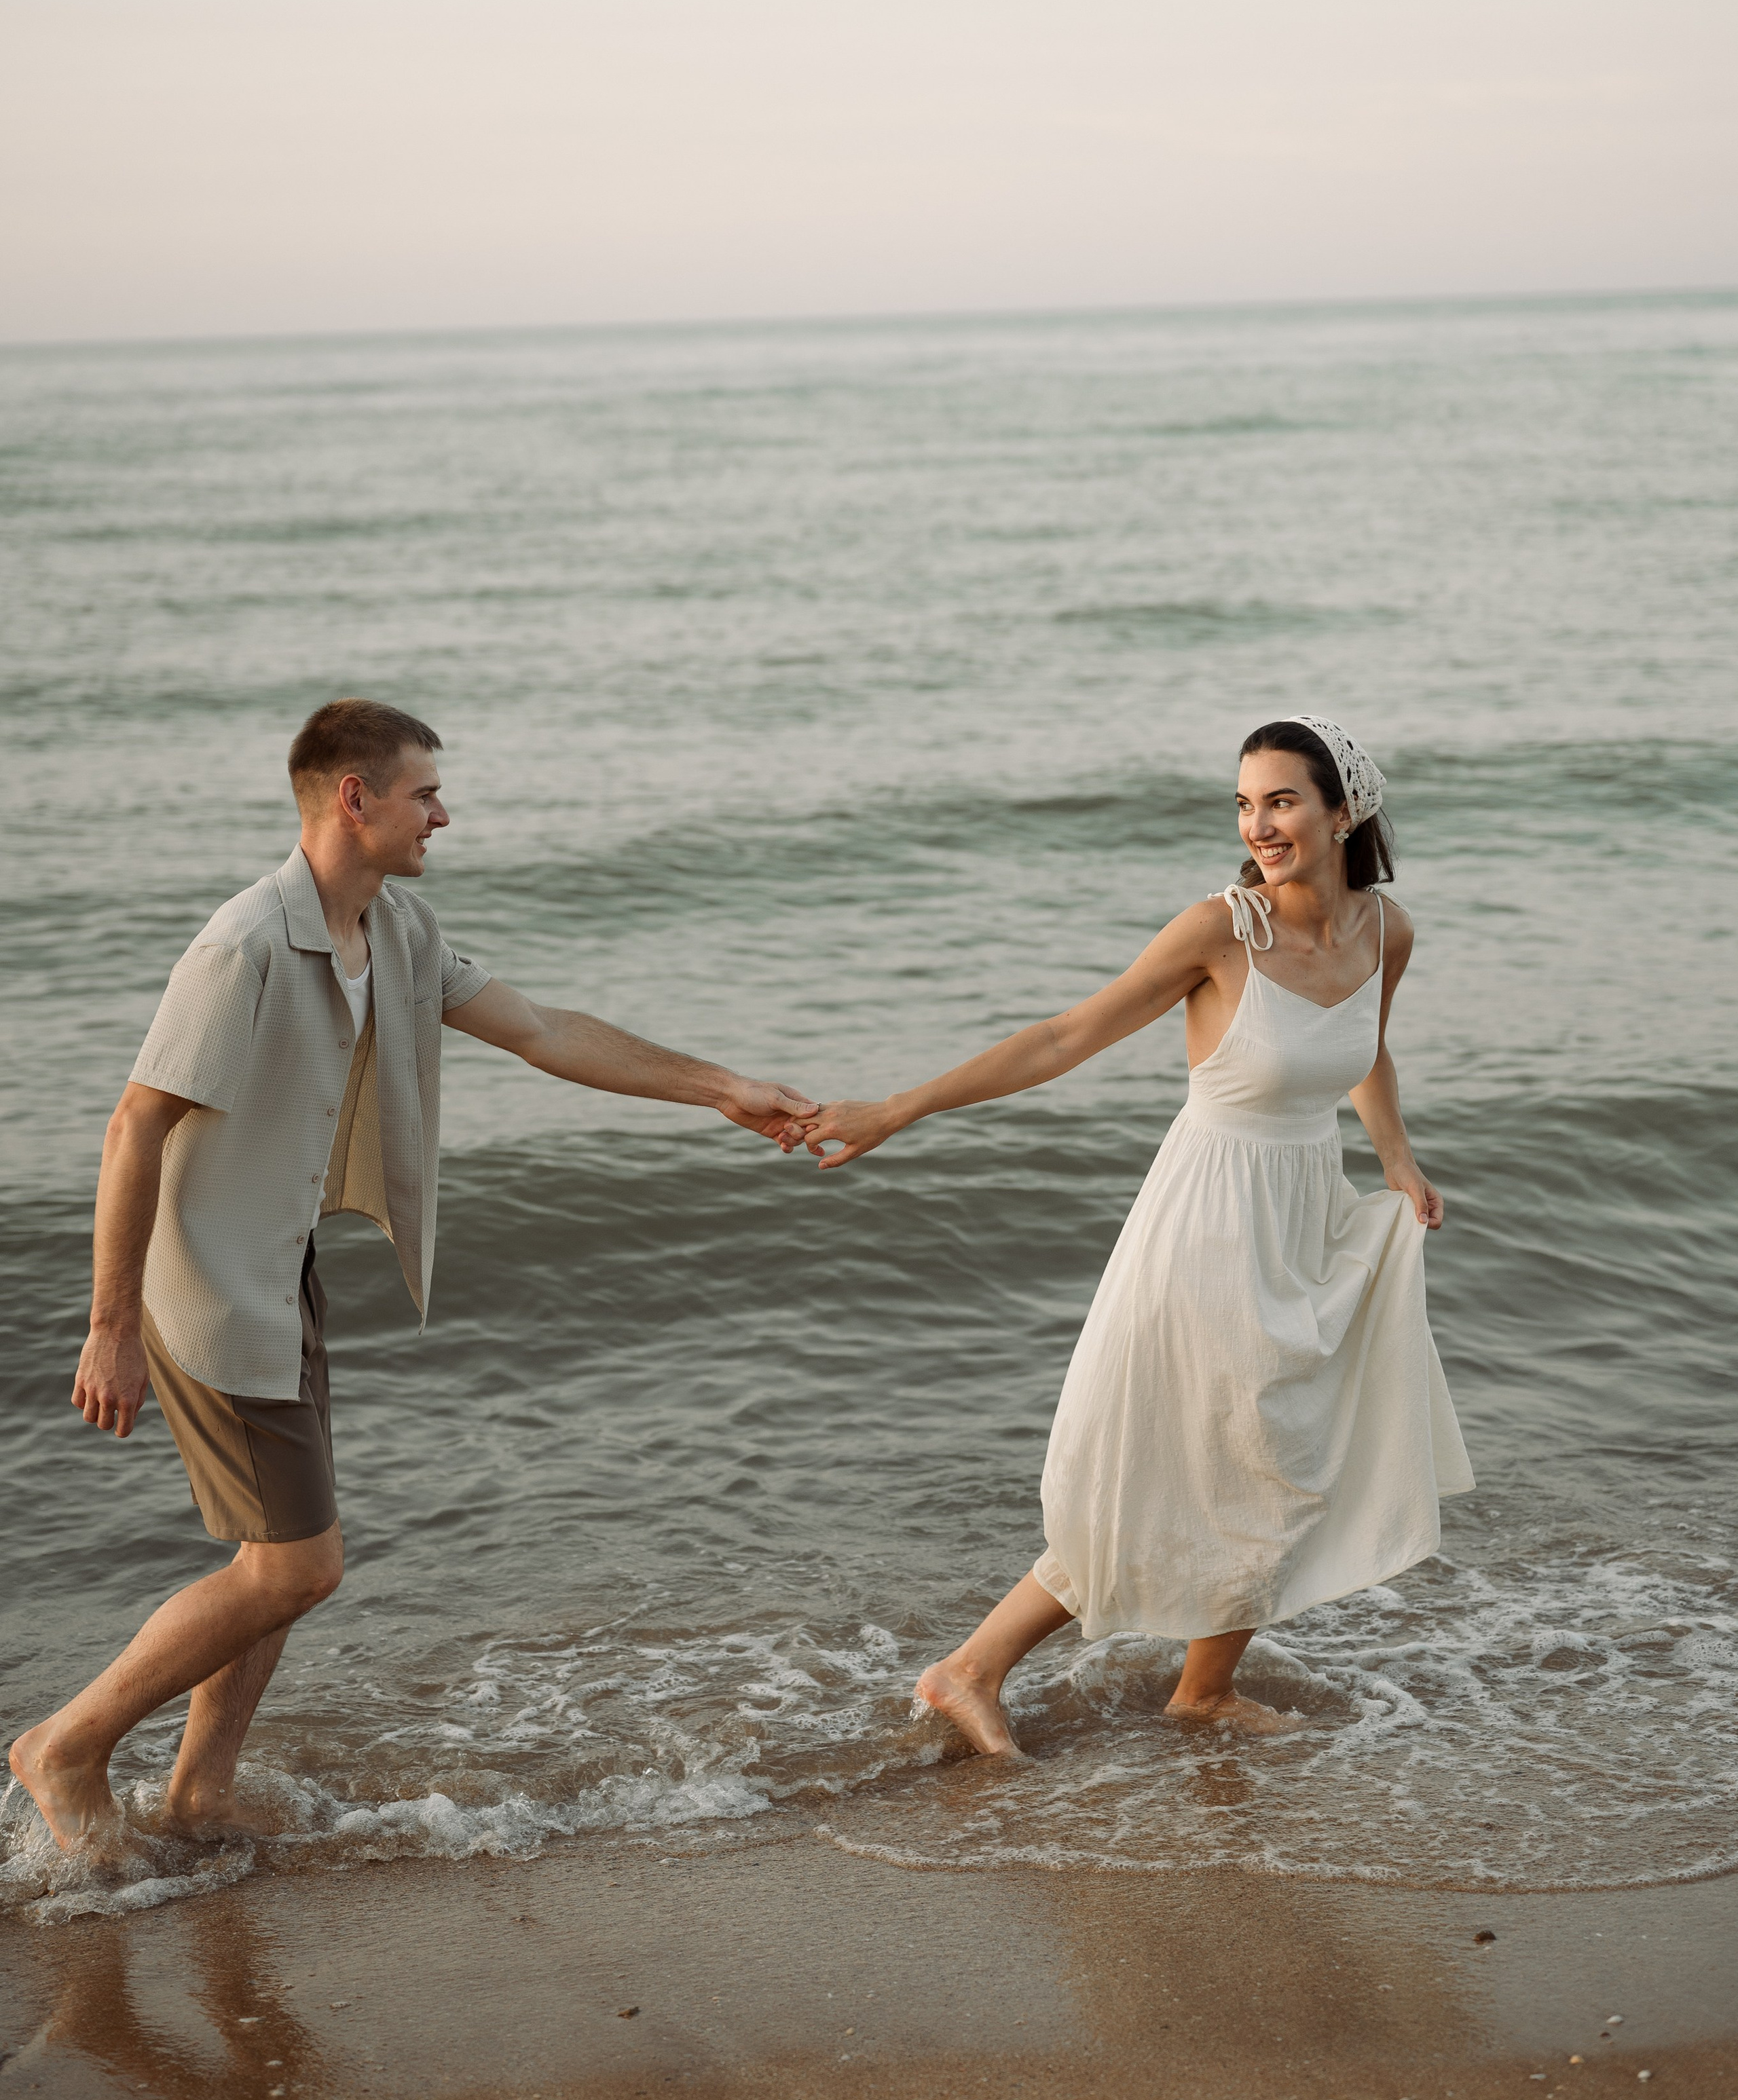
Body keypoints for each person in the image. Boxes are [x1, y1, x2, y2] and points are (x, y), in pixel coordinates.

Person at [9, 699, 816, 1854]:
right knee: (300, 1567)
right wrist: (111, 1325)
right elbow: (133, 1127)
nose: (444, 811)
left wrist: (721, 1087)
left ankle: (199, 1792)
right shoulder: (241, 947)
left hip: (278, 1272)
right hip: (211, 1291)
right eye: (424, 791)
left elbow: (544, 1030)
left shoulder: (397, 928)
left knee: (272, 1559)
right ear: (354, 798)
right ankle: (69, 1746)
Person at [802, 715, 1474, 1755]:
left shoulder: (1387, 932)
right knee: (1202, 1458)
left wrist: (1395, 1158)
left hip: (1306, 1206)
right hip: (1209, 1220)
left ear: (1345, 812)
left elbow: (1366, 1050)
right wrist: (897, 1109)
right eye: (1246, 803)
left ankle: (1201, 1690)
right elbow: (1066, 1035)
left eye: (1283, 800)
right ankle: (970, 1669)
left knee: (1281, 1453)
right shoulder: (1220, 932)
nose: (1259, 823)